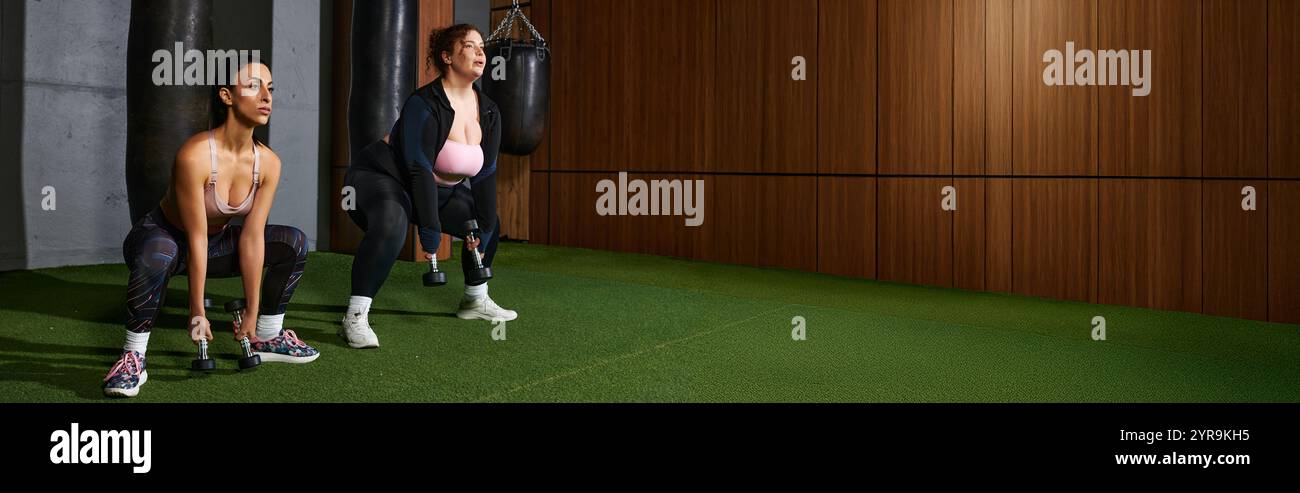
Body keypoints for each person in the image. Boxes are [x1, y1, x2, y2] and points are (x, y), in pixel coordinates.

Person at [104, 62, 320, 398]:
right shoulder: (195, 155)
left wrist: (251, 309)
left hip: (217, 242)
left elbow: (251, 237)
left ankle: (268, 335)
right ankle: (133, 356)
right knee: (160, 253)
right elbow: (195, 237)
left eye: (271, 88)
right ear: (227, 96)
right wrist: (197, 313)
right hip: (161, 238)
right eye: (253, 86)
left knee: (292, 242)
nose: (266, 97)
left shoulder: (269, 163)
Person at [340, 24, 517, 349]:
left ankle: (474, 299)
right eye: (469, 45)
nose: (480, 52)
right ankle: (355, 315)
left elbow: (486, 173)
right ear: (447, 56)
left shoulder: (489, 111)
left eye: (482, 46)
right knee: (393, 222)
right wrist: (431, 230)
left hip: (431, 187)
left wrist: (486, 225)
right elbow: (418, 167)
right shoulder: (423, 103)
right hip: (382, 176)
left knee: (484, 220)